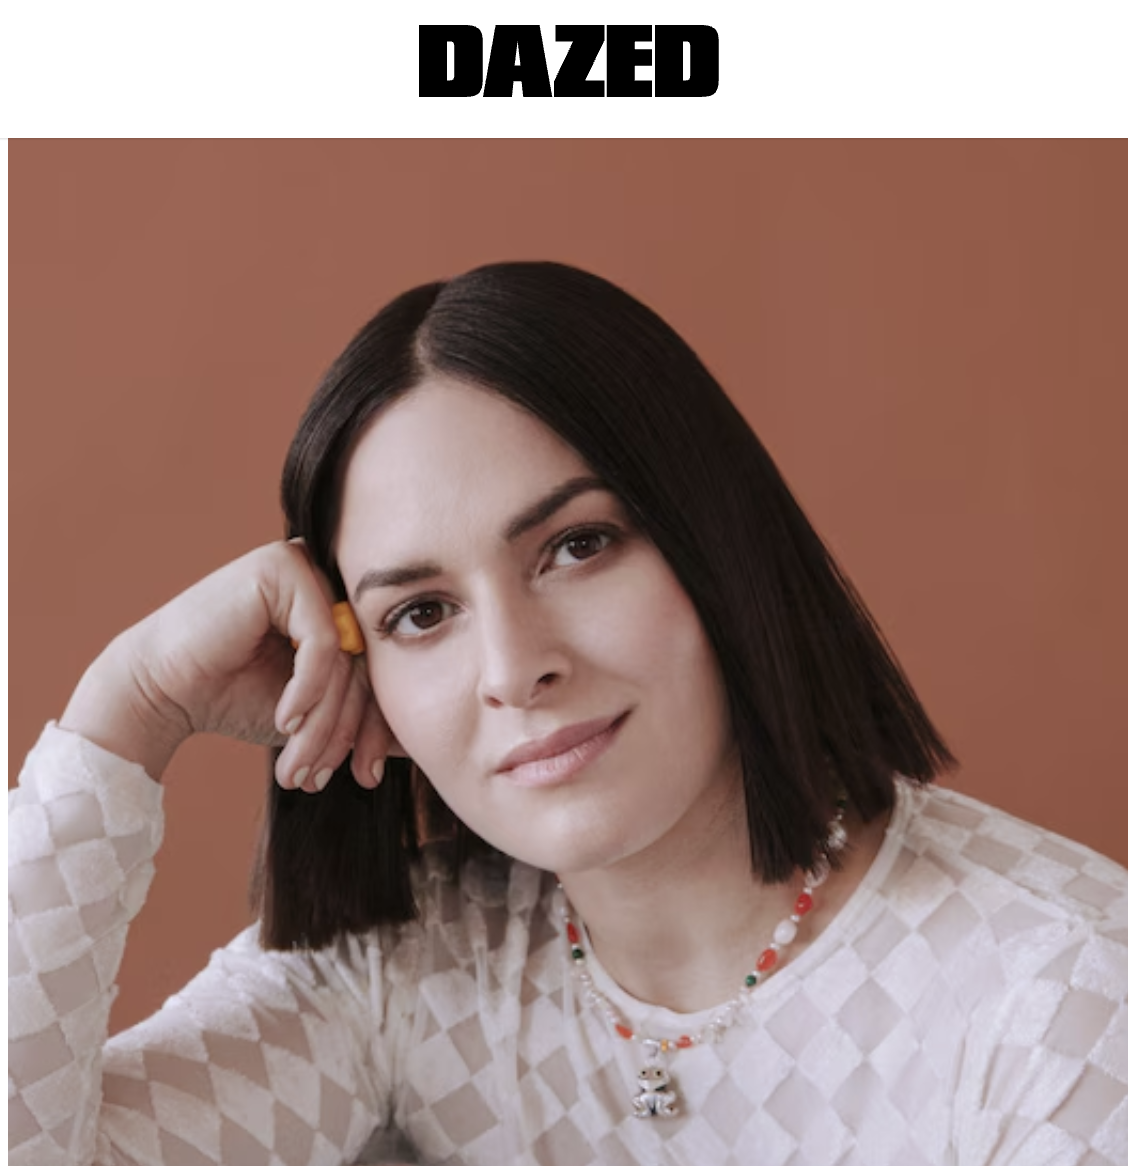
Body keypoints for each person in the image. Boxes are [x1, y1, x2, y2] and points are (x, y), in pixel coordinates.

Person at [9, 261, 1127, 1166]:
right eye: (421, 611)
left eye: (577, 546)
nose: (513, 666)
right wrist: (131, 704)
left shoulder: (1064, 991)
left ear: (716, 542)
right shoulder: (402, 969)